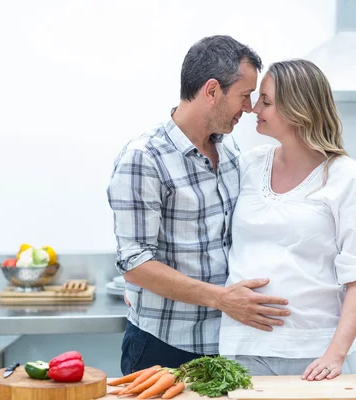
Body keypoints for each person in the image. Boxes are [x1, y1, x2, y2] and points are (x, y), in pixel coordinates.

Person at [107, 35, 290, 375]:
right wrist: (221, 298)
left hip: (226, 343)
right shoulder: (144, 158)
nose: (249, 108)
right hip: (162, 346)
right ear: (211, 91)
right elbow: (134, 262)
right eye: (244, 95)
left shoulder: (231, 153)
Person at [219, 59, 356, 380]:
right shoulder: (247, 166)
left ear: (298, 110)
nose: (254, 109)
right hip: (241, 347)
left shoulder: (347, 178)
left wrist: (334, 356)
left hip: (315, 355)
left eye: (266, 101)